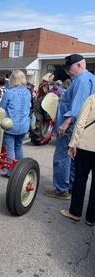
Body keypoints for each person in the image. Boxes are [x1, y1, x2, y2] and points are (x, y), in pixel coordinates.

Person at [44, 54, 95, 200]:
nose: (67, 71)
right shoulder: (89, 78)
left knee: (62, 157)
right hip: (80, 126)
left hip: (70, 126)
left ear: (79, 65)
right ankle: (70, 186)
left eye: (69, 68)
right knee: (72, 158)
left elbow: (78, 106)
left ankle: (61, 189)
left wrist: (66, 123)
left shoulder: (81, 80)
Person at [61, 95, 95, 225]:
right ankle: (91, 217)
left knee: (80, 179)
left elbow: (81, 122)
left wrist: (73, 143)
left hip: (86, 145)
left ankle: (75, 212)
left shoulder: (92, 99)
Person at [0, 70, 31, 176]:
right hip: (24, 125)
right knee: (18, 146)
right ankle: (21, 170)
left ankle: (11, 172)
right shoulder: (28, 92)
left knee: (10, 148)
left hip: (11, 125)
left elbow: (1, 109)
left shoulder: (9, 93)